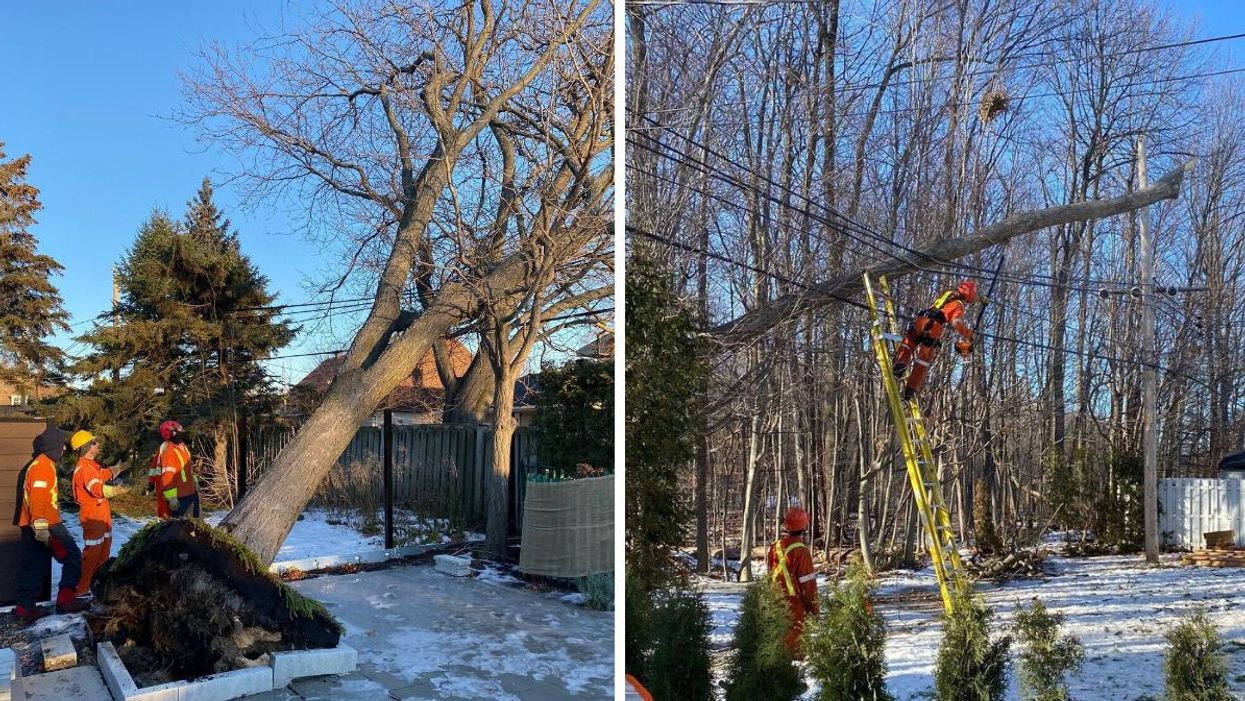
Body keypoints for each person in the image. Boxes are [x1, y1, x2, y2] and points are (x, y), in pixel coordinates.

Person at [11, 426, 87, 623]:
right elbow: (38, 500)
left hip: (36, 525)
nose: (64, 449)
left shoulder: (42, 463)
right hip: (46, 526)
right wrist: (43, 531)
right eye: (62, 445)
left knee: (34, 566)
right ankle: (65, 601)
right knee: (72, 557)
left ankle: (24, 609)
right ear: (55, 446)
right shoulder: (43, 466)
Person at [890, 279, 978, 400]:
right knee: (923, 359)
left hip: (922, 319)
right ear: (968, 297)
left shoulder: (947, 294)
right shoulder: (959, 306)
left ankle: (899, 365)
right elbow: (956, 322)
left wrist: (981, 299)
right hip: (934, 327)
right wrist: (968, 333)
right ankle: (910, 390)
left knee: (909, 343)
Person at [70, 430, 129, 598]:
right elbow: (96, 488)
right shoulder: (84, 468)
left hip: (101, 513)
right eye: (94, 442)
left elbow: (102, 474)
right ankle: (82, 588)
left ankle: (97, 583)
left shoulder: (91, 465)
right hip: (93, 516)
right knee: (92, 554)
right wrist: (114, 491)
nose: (98, 444)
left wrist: (117, 469)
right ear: (86, 447)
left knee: (103, 550)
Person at [767, 507, 818, 657]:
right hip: (793, 603)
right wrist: (814, 609)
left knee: (776, 641)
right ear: (804, 527)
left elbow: (770, 572)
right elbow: (808, 584)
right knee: (793, 649)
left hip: (774, 597)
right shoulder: (801, 551)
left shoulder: (774, 546)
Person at [153, 420, 199, 518]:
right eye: (178, 430)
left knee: (196, 523)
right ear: (172, 433)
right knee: (180, 525)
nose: (181, 432)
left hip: (190, 492)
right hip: (180, 497)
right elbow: (167, 477)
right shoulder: (169, 451)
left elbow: (186, 469)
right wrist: (172, 498)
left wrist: (194, 482)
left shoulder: (182, 447)